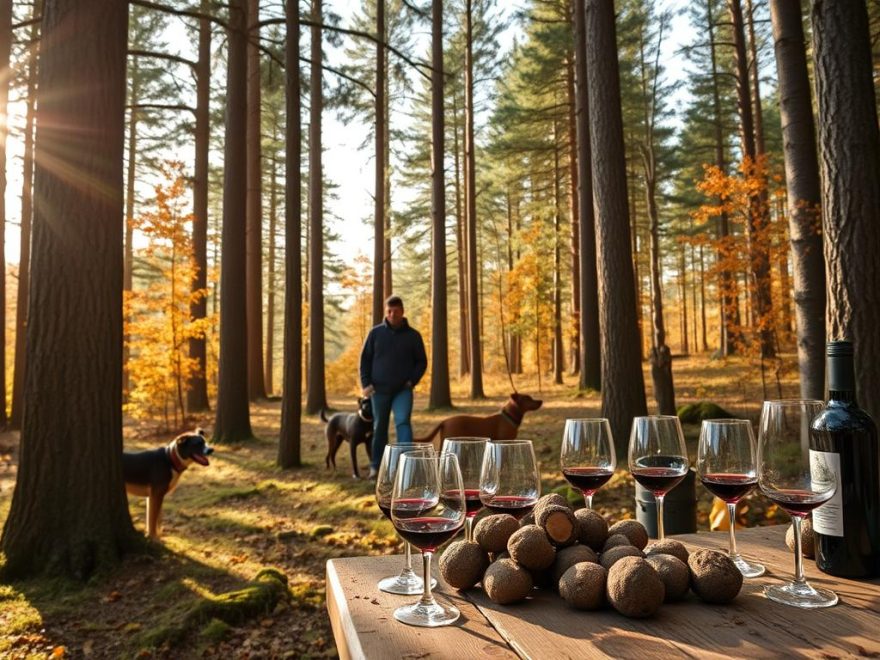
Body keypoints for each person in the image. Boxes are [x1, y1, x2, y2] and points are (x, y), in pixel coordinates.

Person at [359, 295, 428, 478]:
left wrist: (411, 381)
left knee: (403, 422)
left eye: (396, 311)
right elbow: (365, 359)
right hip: (378, 390)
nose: (392, 314)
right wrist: (366, 384)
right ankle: (377, 466)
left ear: (402, 311)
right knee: (379, 426)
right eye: (389, 311)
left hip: (402, 391)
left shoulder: (413, 336)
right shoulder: (375, 333)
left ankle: (407, 466)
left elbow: (421, 362)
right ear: (385, 312)